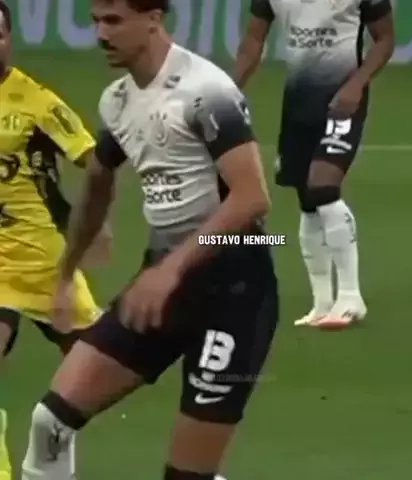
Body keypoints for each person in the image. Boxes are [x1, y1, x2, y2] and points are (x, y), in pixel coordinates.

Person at [21, 1, 279, 479]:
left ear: (154, 18)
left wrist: (170, 270)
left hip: (233, 293)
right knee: (49, 423)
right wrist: (67, 271)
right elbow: (99, 179)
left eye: (113, 20)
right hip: (159, 291)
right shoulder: (117, 101)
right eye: (95, 21)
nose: (101, 34)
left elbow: (251, 199)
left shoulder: (204, 90)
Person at [0, 2, 112, 479]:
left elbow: (94, 159)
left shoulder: (38, 103)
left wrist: (95, 222)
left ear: (10, 39)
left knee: (98, 372)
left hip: (46, 262)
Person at [234, 0, 395, 329]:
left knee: (324, 187)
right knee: (307, 201)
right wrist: (228, 88)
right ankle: (321, 303)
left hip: (344, 100)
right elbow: (253, 39)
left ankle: (350, 296)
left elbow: (385, 39)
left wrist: (357, 84)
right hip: (298, 100)